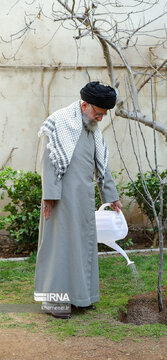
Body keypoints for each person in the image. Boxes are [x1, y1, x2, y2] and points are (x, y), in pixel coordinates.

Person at [34, 81, 122, 319]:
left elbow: (101, 164)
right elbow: (49, 163)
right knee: (59, 250)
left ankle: (81, 298)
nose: (100, 118)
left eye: (103, 115)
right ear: (85, 105)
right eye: (98, 113)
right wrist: (50, 197)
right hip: (60, 201)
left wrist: (111, 197)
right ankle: (54, 302)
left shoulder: (92, 128)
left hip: (83, 202)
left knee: (82, 248)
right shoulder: (59, 122)